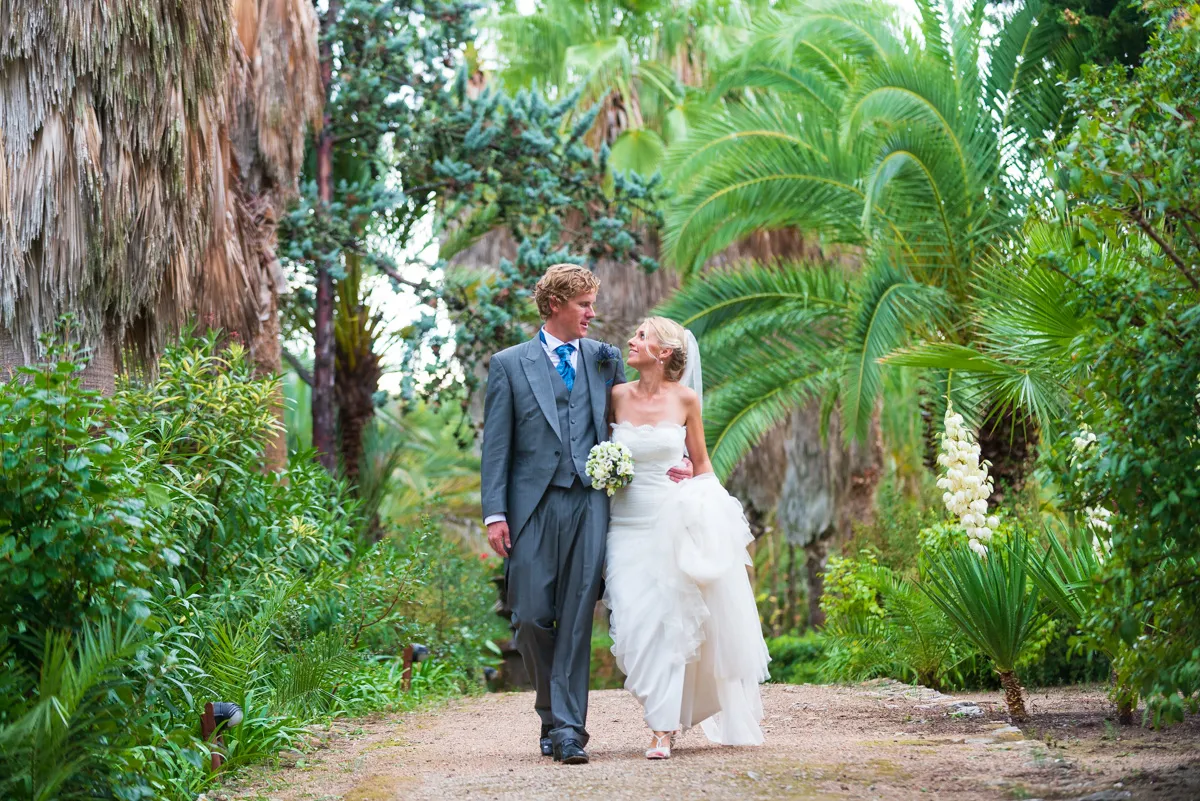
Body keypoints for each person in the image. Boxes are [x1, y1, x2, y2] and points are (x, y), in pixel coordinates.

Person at [480, 266, 692, 765]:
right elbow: (497, 446)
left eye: (592, 304)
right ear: (555, 304)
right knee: (530, 615)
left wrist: (675, 456)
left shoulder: (605, 360)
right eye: (584, 305)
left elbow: (631, 420)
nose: (593, 314)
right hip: (531, 507)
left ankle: (569, 731)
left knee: (577, 617)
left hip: (592, 502)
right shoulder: (509, 364)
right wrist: (494, 513)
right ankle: (551, 715)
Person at [604, 316, 771, 759]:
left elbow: (703, 466)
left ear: (665, 352)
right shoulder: (615, 396)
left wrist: (694, 486)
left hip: (669, 521)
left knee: (668, 623)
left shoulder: (686, 400)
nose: (631, 340)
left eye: (642, 336)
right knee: (634, 624)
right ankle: (661, 711)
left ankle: (662, 728)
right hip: (623, 526)